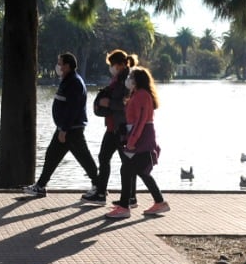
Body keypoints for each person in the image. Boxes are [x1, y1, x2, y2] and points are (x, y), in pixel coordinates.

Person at [21, 52, 101, 199]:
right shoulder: (67, 80)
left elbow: (73, 108)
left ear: (67, 66)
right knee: (51, 155)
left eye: (60, 63)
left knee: (84, 158)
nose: (57, 66)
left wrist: (64, 128)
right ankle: (40, 186)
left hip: (71, 129)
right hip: (64, 128)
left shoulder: (74, 82)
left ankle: (99, 187)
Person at [107, 65, 169, 218]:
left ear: (137, 80)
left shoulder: (142, 95)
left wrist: (131, 141)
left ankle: (124, 207)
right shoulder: (138, 94)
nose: (128, 79)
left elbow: (141, 121)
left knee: (130, 170)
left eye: (131, 77)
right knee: (139, 171)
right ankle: (158, 202)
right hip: (140, 137)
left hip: (141, 140)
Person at [89, 50, 136, 207]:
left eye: (113, 65)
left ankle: (130, 197)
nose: (111, 68)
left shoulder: (129, 80)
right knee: (104, 158)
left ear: (121, 65)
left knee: (128, 162)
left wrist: (108, 104)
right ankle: (101, 193)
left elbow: (127, 104)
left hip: (122, 128)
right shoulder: (116, 80)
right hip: (112, 126)